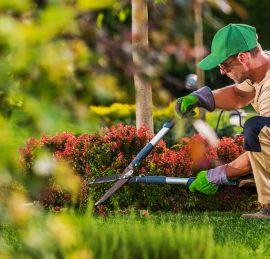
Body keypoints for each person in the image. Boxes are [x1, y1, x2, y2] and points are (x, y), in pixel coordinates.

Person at [175, 23, 270, 218]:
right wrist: (202, 98)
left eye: (224, 66)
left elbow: (264, 146)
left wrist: (217, 176)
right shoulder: (259, 70)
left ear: (242, 58)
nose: (221, 72)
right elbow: (239, 95)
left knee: (257, 129)